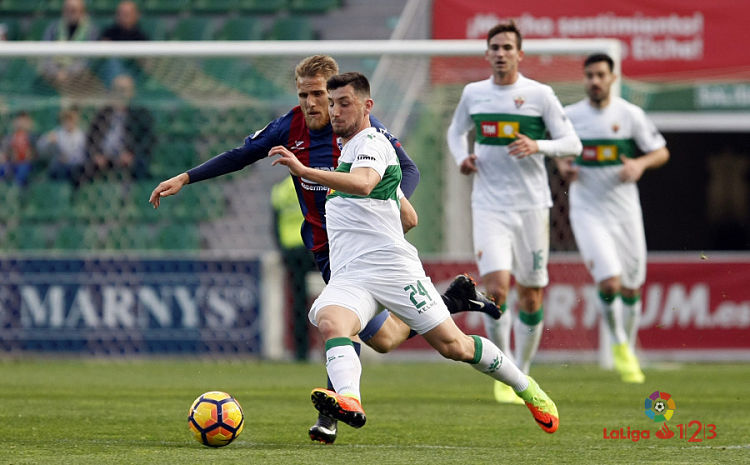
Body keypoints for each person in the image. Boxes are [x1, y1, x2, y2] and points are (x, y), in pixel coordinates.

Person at [148, 55, 500, 444]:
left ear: (335, 94)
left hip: (365, 246)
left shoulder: (362, 131)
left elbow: (409, 169)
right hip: (323, 246)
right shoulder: (288, 126)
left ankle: (330, 414)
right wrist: (185, 177)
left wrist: (393, 202)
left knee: (341, 328)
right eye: (304, 94)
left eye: (319, 94)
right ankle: (451, 300)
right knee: (381, 339)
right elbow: (239, 155)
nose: (312, 103)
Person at [270, 71, 559, 435]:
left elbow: (364, 183)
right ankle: (350, 400)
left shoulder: (371, 142)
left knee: (455, 346)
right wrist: (391, 210)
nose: (335, 111)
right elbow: (404, 212)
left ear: (367, 106)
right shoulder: (347, 153)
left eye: (344, 103)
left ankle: (527, 389)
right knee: (332, 322)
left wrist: (303, 169)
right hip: (351, 275)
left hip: (394, 272)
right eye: (332, 104)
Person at [446, 21, 582, 404]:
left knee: (532, 296)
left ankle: (522, 367)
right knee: (496, 289)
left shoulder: (539, 95)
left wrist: (538, 145)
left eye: (508, 47)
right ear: (487, 54)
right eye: (495, 47)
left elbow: (573, 143)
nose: (501, 53)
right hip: (489, 205)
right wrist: (462, 157)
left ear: (519, 54)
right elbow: (455, 133)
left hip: (532, 207)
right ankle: (503, 369)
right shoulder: (474, 94)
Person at [555, 53, 670, 383]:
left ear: (612, 78)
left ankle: (628, 345)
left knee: (632, 288)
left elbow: (661, 151)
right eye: (589, 75)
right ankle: (619, 343)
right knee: (610, 281)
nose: (594, 81)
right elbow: (558, 152)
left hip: (625, 212)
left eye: (600, 75)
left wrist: (639, 165)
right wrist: (563, 165)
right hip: (588, 210)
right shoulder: (570, 116)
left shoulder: (630, 115)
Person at [271, 175, 317, 361]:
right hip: (314, 248)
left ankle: (301, 352)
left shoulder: (280, 190)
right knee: (336, 295)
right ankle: (334, 346)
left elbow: (274, 226)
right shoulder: (313, 183)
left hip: (291, 251)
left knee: (298, 303)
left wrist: (282, 250)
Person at [86, 74, 154, 180]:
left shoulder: (141, 114)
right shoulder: (103, 113)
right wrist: (96, 154)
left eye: (124, 90)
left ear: (132, 92)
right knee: (80, 167)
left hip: (128, 156)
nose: (120, 94)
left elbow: (147, 140)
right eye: (117, 89)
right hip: (104, 156)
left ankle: (129, 194)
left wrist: (132, 154)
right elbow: (91, 138)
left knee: (140, 166)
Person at [40, 0, 100, 94]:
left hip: (79, 75)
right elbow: (45, 55)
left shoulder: (91, 31)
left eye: (74, 10)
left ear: (82, 11)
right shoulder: (53, 28)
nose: (70, 13)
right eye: (68, 10)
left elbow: (88, 60)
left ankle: (70, 106)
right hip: (54, 74)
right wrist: (57, 72)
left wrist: (68, 73)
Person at [99, 1, 149, 85]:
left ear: (136, 15)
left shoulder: (141, 37)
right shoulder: (109, 33)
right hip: (111, 75)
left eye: (127, 14)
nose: (124, 17)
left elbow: (145, 62)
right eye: (121, 13)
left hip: (132, 72)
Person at [38, 107, 87, 185]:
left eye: (71, 120)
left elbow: (81, 155)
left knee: (77, 170)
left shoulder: (81, 135)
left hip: (75, 164)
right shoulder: (58, 132)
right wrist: (48, 141)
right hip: (60, 164)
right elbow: (41, 145)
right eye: (66, 120)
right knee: (55, 166)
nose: (68, 123)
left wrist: (69, 158)